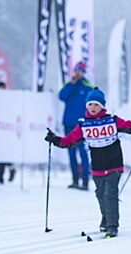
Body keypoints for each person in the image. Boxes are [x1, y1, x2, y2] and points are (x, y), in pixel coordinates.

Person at [45, 88, 131, 237]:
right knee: (100, 195)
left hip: (114, 165)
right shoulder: (84, 125)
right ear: (86, 106)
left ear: (102, 106)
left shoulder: (112, 120)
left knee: (109, 195)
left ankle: (112, 225)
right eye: (90, 104)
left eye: (96, 105)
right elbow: (68, 141)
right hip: (97, 168)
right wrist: (54, 139)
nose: (93, 108)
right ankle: (106, 219)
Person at [59, 62, 93, 190]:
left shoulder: (88, 87)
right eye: (76, 70)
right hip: (68, 124)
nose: (77, 73)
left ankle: (85, 181)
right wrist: (72, 84)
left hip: (82, 125)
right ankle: (74, 180)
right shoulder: (69, 85)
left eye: (80, 71)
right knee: (71, 153)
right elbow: (62, 96)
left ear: (83, 72)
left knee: (83, 153)